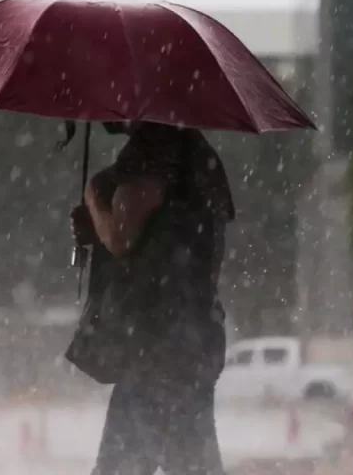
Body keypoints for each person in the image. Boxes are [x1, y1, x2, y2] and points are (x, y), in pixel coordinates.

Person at [70, 120, 235, 475]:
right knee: (191, 464)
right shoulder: (192, 149)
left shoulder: (155, 147)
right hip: (190, 342)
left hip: (157, 346)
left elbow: (121, 236)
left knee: (122, 466)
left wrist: (95, 199)